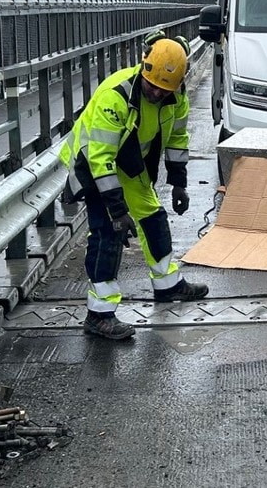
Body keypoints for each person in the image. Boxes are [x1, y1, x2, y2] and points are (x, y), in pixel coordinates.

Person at [60, 31, 208, 340]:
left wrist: (178, 183)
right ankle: (99, 315)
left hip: (128, 160)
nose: (156, 94)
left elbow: (178, 140)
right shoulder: (116, 96)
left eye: (163, 90)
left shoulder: (175, 98)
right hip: (91, 163)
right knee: (107, 234)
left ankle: (168, 286)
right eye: (151, 87)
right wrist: (117, 211)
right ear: (144, 69)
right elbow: (100, 159)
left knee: (153, 218)